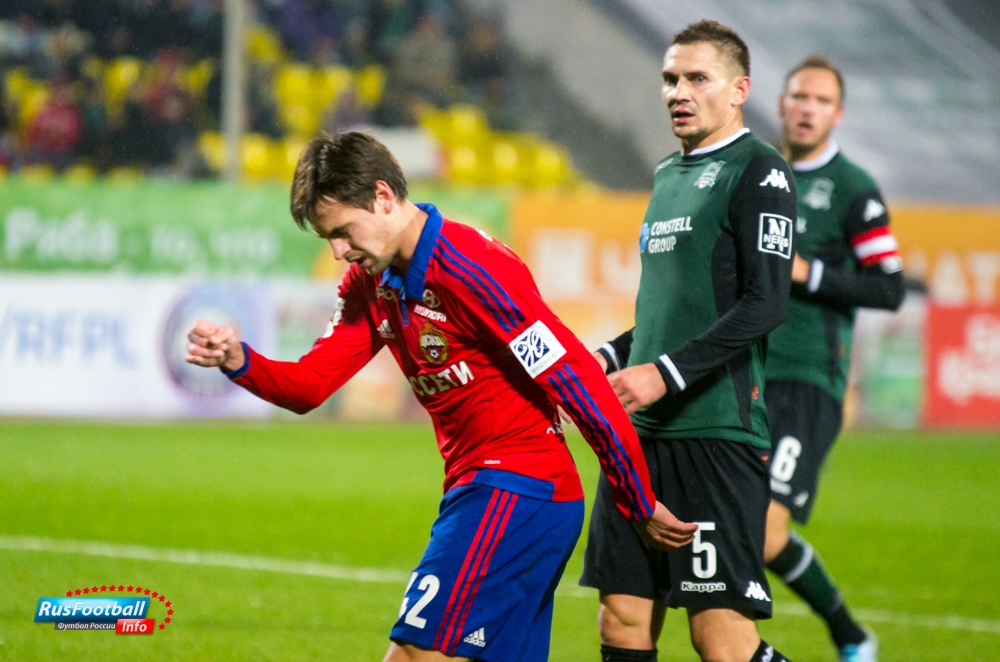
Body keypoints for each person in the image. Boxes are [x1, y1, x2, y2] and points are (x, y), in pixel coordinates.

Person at [185, 131, 697, 662]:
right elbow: (311, 385)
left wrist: (636, 498)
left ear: (383, 197)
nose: (338, 251)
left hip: (517, 489)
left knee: (414, 653)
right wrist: (239, 360)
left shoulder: (471, 267)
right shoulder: (372, 282)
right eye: (327, 239)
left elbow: (575, 380)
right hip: (489, 492)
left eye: (342, 232)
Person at [580, 20, 796, 662]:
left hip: (715, 432)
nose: (679, 91)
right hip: (639, 436)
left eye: (698, 78)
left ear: (739, 90)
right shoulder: (667, 174)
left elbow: (766, 302)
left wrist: (663, 374)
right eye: (671, 78)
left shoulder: (760, 171)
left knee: (720, 638)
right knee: (622, 620)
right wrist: (608, 357)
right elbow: (669, 313)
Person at [762, 55, 904, 662]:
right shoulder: (758, 174)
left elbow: (889, 287)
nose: (807, 109)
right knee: (734, 526)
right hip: (745, 375)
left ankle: (848, 634)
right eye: (799, 96)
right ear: (781, 104)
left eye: (821, 101)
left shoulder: (852, 189)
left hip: (807, 381)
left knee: (763, 532)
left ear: (837, 114)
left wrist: (809, 274)